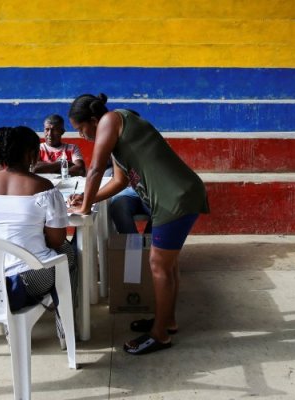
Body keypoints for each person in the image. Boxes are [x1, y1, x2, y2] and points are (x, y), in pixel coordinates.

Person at [67, 93, 209, 355]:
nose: (82, 136)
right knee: (168, 264)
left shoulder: (111, 119)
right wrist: (86, 199)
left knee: (158, 264)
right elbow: (118, 182)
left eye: (81, 129)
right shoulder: (118, 141)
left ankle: (159, 335)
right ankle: (167, 321)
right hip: (176, 196)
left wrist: (85, 206)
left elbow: (96, 169)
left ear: (94, 119)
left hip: (174, 199)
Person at [0, 125, 77, 339]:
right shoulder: (44, 188)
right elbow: (56, 240)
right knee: (68, 251)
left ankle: (11, 318)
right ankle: (66, 320)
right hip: (30, 279)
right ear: (31, 153)